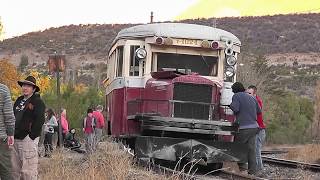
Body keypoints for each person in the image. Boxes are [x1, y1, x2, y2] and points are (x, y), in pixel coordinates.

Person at [12, 76, 46, 179]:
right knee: (14, 171)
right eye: (24, 85)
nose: (25, 88)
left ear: (34, 89)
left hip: (27, 140)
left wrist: (31, 137)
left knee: (28, 172)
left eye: (28, 86)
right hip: (15, 139)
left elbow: (40, 120)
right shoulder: (19, 100)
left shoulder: (38, 102)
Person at [230, 82, 261, 175]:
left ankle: (243, 169)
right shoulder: (251, 97)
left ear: (234, 90)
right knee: (251, 150)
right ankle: (253, 172)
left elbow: (236, 109)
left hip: (244, 128)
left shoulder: (236, 96)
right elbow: (259, 111)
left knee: (238, 147)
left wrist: (230, 105)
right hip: (254, 127)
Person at [247, 85, 266, 172]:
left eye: (249, 93)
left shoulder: (257, 101)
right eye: (247, 93)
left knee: (256, 149)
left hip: (259, 129)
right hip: (256, 129)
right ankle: (258, 168)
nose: (247, 95)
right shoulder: (252, 100)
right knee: (255, 149)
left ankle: (259, 169)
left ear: (254, 94)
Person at [0, 83, 15, 180]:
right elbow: (9, 115)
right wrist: (11, 134)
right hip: (1, 138)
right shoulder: (3, 89)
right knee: (6, 170)